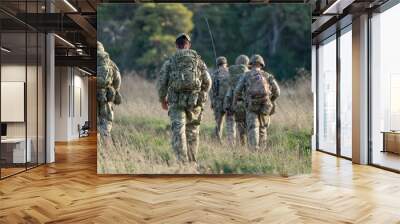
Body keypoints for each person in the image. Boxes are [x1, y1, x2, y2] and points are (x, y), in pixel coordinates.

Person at [157, 33, 211, 164]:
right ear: (189, 45)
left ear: (176, 45)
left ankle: (182, 162)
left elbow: (162, 83)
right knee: (192, 131)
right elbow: (208, 81)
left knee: (178, 130)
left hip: (176, 102)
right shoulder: (198, 61)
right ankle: (192, 162)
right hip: (195, 102)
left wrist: (162, 100)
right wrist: (203, 94)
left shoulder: (170, 61)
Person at [233, 54, 280, 150]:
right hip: (265, 105)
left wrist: (235, 101)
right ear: (261, 64)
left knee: (253, 127)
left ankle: (254, 150)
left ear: (251, 64)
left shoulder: (246, 75)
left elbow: (237, 90)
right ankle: (262, 151)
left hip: (251, 104)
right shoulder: (267, 75)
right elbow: (278, 91)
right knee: (263, 128)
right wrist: (271, 100)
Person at [97, 41, 122, 138]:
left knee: (94, 127)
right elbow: (118, 80)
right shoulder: (110, 63)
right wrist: (113, 90)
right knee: (105, 127)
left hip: (91, 98)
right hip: (105, 98)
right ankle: (108, 151)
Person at [224, 55, 250, 146]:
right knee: (246, 125)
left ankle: (236, 144)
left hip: (234, 102)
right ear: (247, 63)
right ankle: (247, 146)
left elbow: (228, 90)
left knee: (236, 125)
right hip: (246, 103)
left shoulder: (231, 74)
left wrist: (227, 104)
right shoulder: (249, 73)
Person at [210, 56, 235, 144]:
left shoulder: (214, 74)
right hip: (229, 102)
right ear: (226, 63)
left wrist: (212, 102)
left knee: (218, 123)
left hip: (218, 102)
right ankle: (231, 142)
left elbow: (211, 90)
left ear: (217, 64)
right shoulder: (231, 72)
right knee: (230, 122)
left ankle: (218, 142)